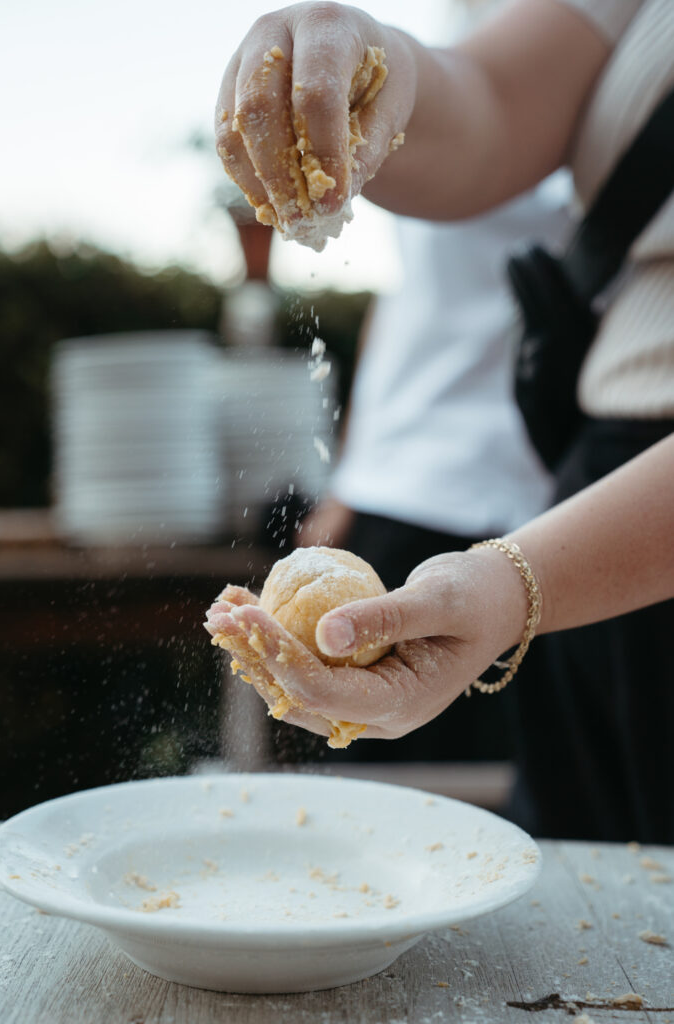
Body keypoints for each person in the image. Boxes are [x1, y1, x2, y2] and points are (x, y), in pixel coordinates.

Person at [209, 0, 674, 841]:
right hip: (586, 522)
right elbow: (493, 108)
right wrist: (375, 63)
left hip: (582, 536)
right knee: (592, 919)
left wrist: (507, 587)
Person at [297, 180, 572, 763]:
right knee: (373, 764)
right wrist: (348, 480)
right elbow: (403, 301)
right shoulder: (424, 128)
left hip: (554, 511)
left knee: (516, 774)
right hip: (401, 488)